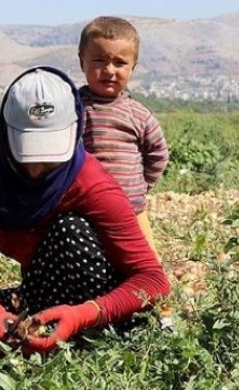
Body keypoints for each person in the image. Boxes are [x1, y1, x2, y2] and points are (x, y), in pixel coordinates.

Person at [0, 66, 169, 355]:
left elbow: (153, 281)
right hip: (41, 293)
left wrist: (83, 314)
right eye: (27, 154)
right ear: (6, 134)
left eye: (51, 158)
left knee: (70, 230)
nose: (37, 170)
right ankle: (39, 333)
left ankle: (84, 340)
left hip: (100, 303)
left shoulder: (89, 183)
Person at [78, 16, 169, 255]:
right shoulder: (72, 108)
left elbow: (158, 153)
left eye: (119, 63)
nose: (109, 70)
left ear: (132, 68)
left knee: (146, 268)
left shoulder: (139, 115)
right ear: (82, 62)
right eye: (99, 61)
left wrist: (142, 185)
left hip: (132, 209)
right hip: (84, 210)